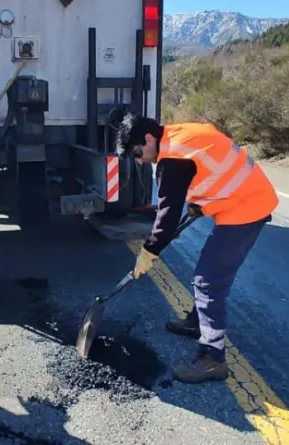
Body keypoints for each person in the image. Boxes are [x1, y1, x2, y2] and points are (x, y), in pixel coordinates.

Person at [115, 112, 279, 384]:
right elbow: (209, 167)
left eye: (137, 153)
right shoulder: (177, 135)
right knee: (207, 271)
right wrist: (201, 203)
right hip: (245, 196)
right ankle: (197, 322)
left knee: (208, 281)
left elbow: (167, 216)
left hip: (246, 208)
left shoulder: (172, 159)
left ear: (148, 138)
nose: (140, 160)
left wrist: (149, 250)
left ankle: (213, 359)